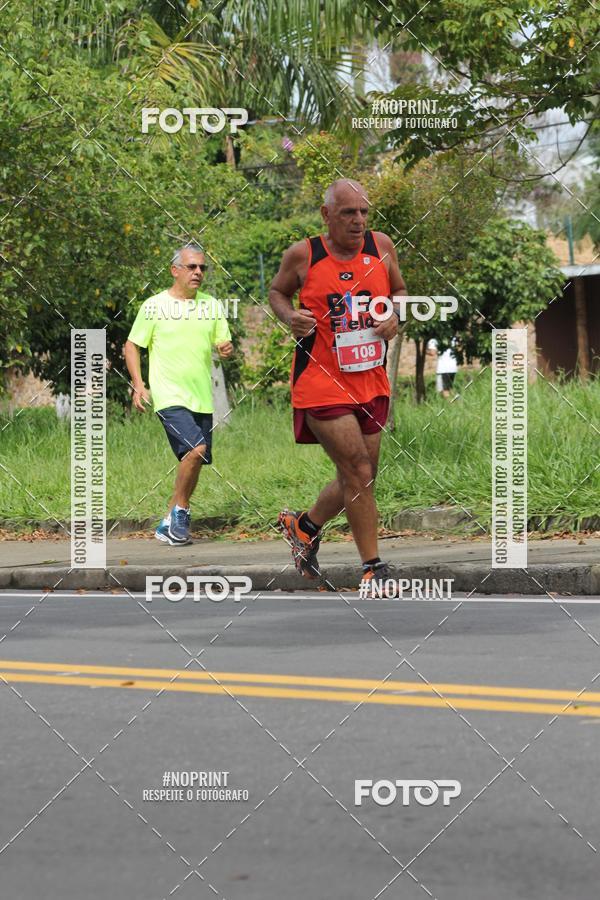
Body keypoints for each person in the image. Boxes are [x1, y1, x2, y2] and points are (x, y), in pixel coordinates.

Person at [269, 178, 407, 592]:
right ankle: (374, 567)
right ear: (327, 215)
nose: (359, 221)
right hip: (321, 381)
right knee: (357, 470)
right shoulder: (304, 255)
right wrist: (288, 316)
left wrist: (395, 316)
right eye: (349, 213)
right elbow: (277, 292)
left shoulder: (382, 248)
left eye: (364, 212)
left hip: (371, 379)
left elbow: (398, 291)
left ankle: (304, 525)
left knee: (364, 475)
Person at [124, 243, 233, 545]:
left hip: (201, 397)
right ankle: (182, 512)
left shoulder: (211, 305)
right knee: (196, 450)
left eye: (202, 268)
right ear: (175, 270)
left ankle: (169, 520)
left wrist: (226, 349)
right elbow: (132, 345)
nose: (198, 272)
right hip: (168, 395)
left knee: (195, 458)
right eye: (191, 267)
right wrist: (138, 383)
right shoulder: (154, 306)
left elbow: (223, 344)